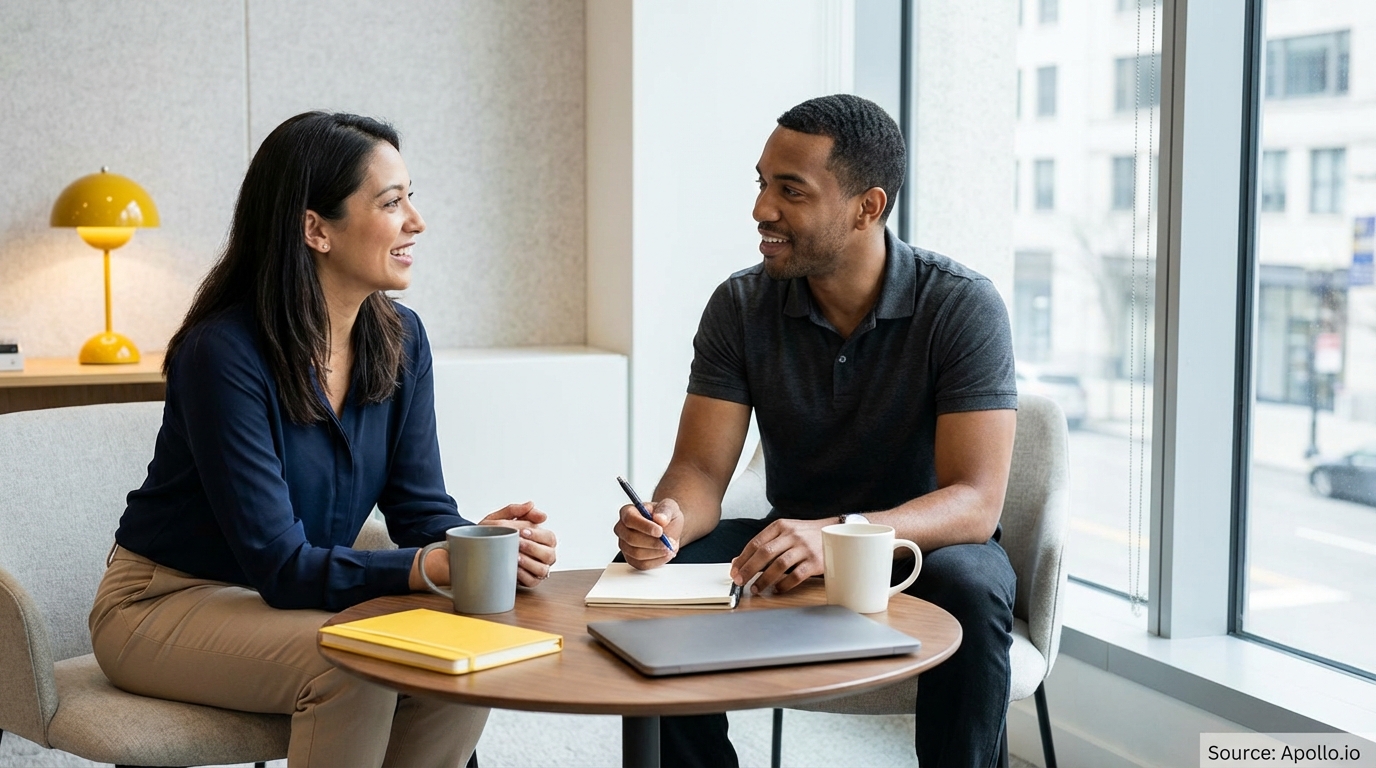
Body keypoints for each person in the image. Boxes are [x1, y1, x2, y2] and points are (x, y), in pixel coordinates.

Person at [88, 111, 559, 768]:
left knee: (462, 656)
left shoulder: (402, 339)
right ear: (316, 229)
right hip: (164, 603)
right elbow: (279, 564)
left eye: (410, 200)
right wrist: (429, 567)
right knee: (355, 663)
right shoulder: (223, 353)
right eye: (392, 203)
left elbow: (420, 511)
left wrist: (479, 545)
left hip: (290, 599)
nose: (416, 222)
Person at [613, 94, 1018, 768]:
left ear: (869, 206)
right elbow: (703, 470)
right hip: (794, 544)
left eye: (790, 191)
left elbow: (976, 501)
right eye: (762, 183)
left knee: (974, 587)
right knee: (656, 583)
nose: (761, 210)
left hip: (925, 551)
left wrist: (842, 534)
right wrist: (670, 519)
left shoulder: (961, 305)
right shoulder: (740, 304)